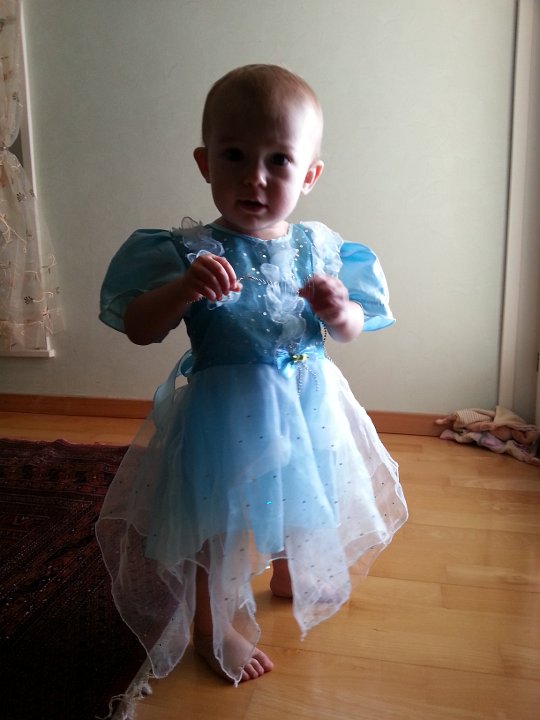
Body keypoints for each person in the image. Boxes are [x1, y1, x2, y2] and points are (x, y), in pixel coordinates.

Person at [97, 63, 408, 687]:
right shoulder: (187, 251)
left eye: (279, 161)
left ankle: (290, 569)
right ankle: (212, 624)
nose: (254, 177)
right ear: (205, 162)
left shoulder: (321, 248)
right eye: (234, 155)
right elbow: (139, 327)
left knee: (307, 490)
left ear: (310, 174)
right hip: (226, 416)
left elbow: (354, 328)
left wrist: (338, 311)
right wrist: (183, 290)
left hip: (311, 402)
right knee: (217, 522)